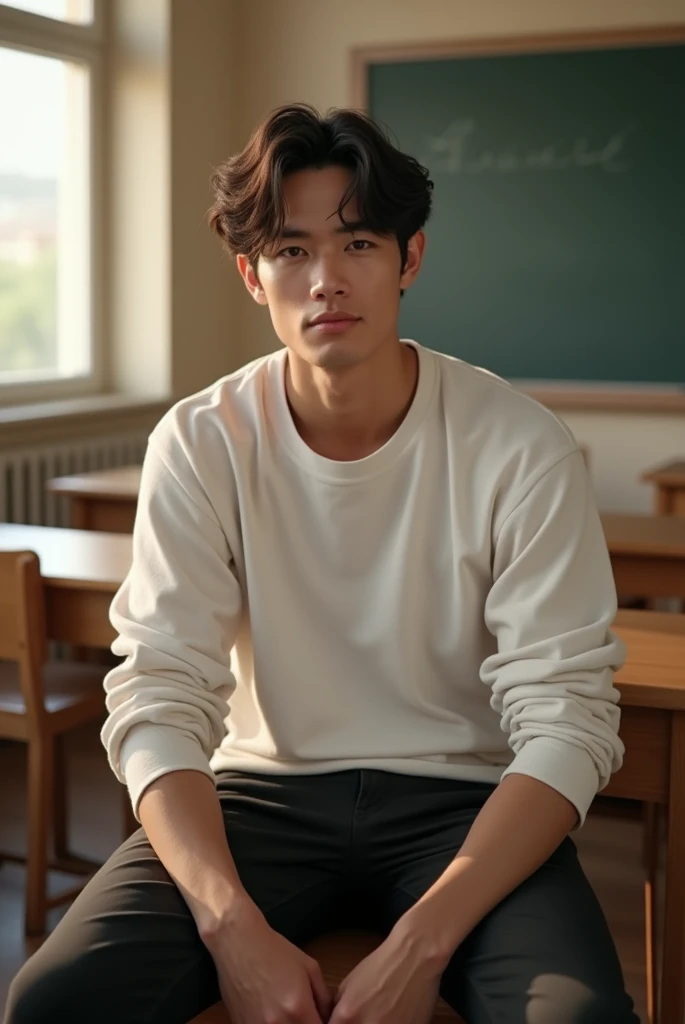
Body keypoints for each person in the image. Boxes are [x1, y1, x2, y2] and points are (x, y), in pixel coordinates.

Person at [6, 103, 639, 1024]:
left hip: (464, 804)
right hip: (259, 797)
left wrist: (422, 941)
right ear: (252, 276)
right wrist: (228, 925)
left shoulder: (520, 445)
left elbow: (568, 716)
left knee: (575, 1018)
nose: (326, 281)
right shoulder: (201, 440)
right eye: (292, 251)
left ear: (409, 259)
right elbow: (158, 692)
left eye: (357, 245)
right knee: (51, 1002)